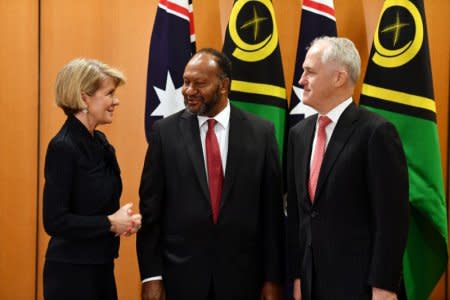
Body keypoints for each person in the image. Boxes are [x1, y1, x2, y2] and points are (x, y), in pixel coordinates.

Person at [137, 48, 285, 300]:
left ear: (223, 85)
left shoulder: (261, 133)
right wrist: (152, 276)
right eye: (185, 82)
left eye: (199, 83)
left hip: (243, 280)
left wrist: (272, 280)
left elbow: (271, 215)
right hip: (181, 279)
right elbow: (151, 212)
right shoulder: (165, 133)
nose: (188, 90)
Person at [287, 37, 409, 300]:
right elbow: (298, 216)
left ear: (339, 78)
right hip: (310, 284)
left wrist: (384, 287)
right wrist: (297, 277)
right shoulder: (299, 134)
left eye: (309, 71)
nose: (301, 80)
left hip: (359, 285)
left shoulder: (376, 133)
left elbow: (391, 220)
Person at [43, 58, 142, 300]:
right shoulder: (62, 147)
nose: (116, 101)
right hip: (72, 273)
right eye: (109, 93)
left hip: (101, 266)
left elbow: (96, 206)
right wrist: (109, 223)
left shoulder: (100, 143)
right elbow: (54, 221)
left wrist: (123, 222)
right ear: (84, 97)